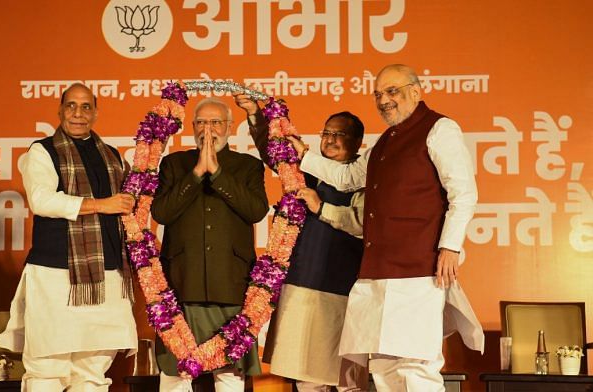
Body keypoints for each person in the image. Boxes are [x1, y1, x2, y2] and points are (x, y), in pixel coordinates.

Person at [289, 64, 484, 391]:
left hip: (417, 273)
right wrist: (304, 155)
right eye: (378, 94)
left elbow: (463, 193)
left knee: (414, 366)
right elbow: (348, 178)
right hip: (376, 274)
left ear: (415, 92)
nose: (383, 100)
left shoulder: (439, 129)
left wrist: (450, 247)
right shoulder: (384, 143)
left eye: (391, 92)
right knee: (382, 366)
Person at [0, 83, 138, 391]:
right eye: (71, 106)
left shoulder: (112, 155)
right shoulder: (42, 151)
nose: (78, 113)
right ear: (60, 111)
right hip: (55, 275)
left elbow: (128, 205)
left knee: (93, 372)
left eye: (86, 106)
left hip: (107, 275)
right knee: (49, 369)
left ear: (95, 113)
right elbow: (42, 201)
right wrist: (102, 204)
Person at [235, 95, 368, 392]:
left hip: (342, 289)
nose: (330, 140)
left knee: (346, 381)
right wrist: (256, 115)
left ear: (358, 142)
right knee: (306, 380)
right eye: (327, 133)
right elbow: (274, 154)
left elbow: (360, 222)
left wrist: (322, 207)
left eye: (339, 134)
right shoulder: (307, 168)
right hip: (300, 284)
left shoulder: (363, 177)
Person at [151, 97, 269, 392]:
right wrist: (195, 174)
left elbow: (255, 211)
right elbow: (161, 213)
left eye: (216, 122)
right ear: (192, 127)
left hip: (230, 284)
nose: (209, 129)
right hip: (182, 284)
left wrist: (216, 173)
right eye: (201, 122)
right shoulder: (175, 164)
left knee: (229, 375)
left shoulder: (248, 166)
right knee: (176, 374)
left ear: (229, 127)